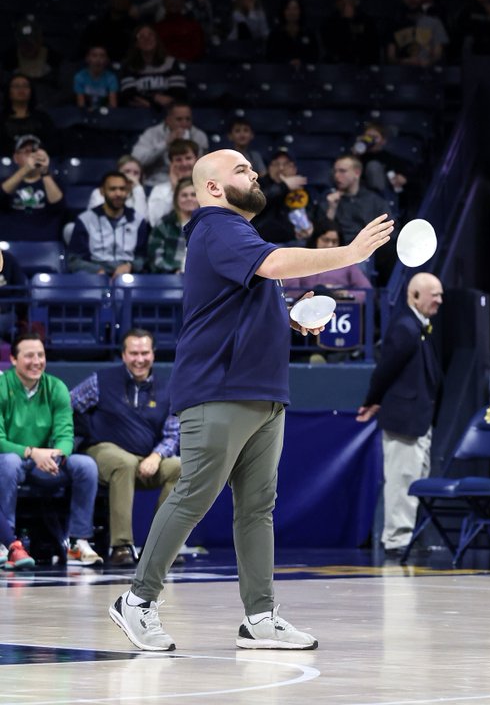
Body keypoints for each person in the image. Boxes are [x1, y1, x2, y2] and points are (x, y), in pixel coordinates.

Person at [109, 149, 395, 651]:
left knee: (258, 508)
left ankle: (260, 617)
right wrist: (349, 253)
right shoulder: (216, 225)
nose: (255, 173)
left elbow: (242, 299)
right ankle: (136, 601)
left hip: (262, 390)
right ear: (213, 188)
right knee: (195, 492)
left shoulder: (239, 234)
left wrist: (289, 315)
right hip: (220, 387)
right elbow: (276, 262)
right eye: (242, 169)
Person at [69, 330, 181, 566]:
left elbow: (172, 434)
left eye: (145, 353)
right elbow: (67, 405)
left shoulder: (168, 389)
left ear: (153, 354)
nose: (139, 359)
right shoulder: (100, 381)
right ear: (123, 355)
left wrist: (157, 455)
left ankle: (162, 546)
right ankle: (120, 546)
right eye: (133, 353)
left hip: (147, 459)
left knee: (179, 467)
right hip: (102, 453)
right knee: (125, 462)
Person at [356, 272, 443, 556]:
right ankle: (396, 540)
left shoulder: (419, 327)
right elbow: (385, 370)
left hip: (419, 419)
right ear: (414, 295)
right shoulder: (405, 327)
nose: (439, 300)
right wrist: (373, 400)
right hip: (404, 418)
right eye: (434, 295)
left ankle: (408, 536)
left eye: (441, 294)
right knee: (401, 480)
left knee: (416, 479)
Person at [0, 333, 102, 570]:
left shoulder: (56, 387)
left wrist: (56, 454)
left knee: (85, 465)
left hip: (48, 461)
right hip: (15, 459)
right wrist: (32, 452)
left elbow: (66, 434)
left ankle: (78, 541)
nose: (36, 361)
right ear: (14, 360)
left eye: (40, 355)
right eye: (29, 356)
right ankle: (7, 541)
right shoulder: (3, 387)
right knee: (8, 463)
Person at [67, 171, 149, 276]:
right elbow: (74, 260)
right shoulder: (86, 220)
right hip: (94, 276)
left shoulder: (137, 220)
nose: (118, 194)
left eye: (122, 189)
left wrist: (130, 266)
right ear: (102, 191)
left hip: (128, 275)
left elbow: (143, 257)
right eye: (113, 189)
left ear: (127, 191)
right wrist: (96, 270)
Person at [283, 228, 372, 303]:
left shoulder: (348, 264)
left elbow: (367, 290)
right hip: (308, 305)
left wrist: (347, 294)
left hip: (340, 307)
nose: (330, 245)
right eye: (326, 240)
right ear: (316, 240)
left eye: (334, 241)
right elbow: (291, 291)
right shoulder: (302, 260)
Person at [0, 134, 64, 241]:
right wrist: (26, 169)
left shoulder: (53, 182)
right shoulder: (6, 182)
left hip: (43, 241)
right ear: (16, 157)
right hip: (10, 240)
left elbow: (59, 206)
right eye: (26, 151)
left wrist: (44, 172)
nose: (31, 155)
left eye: (34, 151)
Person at [133, 102, 210, 187]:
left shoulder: (199, 136)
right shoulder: (152, 134)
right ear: (168, 120)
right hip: (157, 183)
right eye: (179, 119)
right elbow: (136, 160)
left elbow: (203, 167)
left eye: (188, 119)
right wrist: (165, 143)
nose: (184, 124)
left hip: (191, 183)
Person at [254, 150, 312, 246]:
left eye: (286, 164)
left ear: (294, 168)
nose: (281, 168)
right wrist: (284, 186)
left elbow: (310, 211)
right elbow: (258, 203)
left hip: (296, 241)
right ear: (269, 168)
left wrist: (310, 225)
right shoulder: (259, 184)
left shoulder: (301, 187)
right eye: (276, 164)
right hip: (266, 242)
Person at [120, 25, 187, 109]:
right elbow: (128, 94)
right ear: (136, 43)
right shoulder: (129, 65)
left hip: (168, 110)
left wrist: (154, 103)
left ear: (156, 40)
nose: (147, 39)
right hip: (138, 112)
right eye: (141, 36)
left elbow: (179, 91)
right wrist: (154, 98)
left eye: (150, 35)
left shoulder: (171, 63)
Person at [148, 178, 198, 274]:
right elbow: (155, 259)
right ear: (176, 199)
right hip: (170, 279)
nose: (189, 198)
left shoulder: (208, 224)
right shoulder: (164, 225)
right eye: (184, 195)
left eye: (193, 195)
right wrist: (174, 270)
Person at [146, 139, 200, 227]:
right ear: (171, 163)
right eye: (178, 160)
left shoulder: (207, 187)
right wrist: (174, 190)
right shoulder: (160, 190)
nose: (184, 163)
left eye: (188, 158)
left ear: (196, 160)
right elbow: (155, 222)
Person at [321, 0, 380, 65]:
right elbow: (334, 49)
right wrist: (346, 22)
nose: (345, 2)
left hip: (365, 64)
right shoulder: (329, 23)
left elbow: (371, 47)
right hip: (339, 66)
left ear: (354, 0)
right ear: (336, 4)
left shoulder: (366, 21)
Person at [2, 73, 57, 151]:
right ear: (8, 92)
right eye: (16, 86)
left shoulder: (43, 118)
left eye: (25, 86)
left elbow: (52, 143)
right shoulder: (2, 118)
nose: (21, 89)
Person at [265, 0, 318, 68]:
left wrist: (302, 62)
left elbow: (315, 56)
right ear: (283, 11)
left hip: (305, 71)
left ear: (300, 11)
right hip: (280, 72)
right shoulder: (275, 34)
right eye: (288, 8)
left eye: (295, 8)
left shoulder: (309, 33)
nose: (292, 12)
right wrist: (288, 62)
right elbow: (270, 57)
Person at [74, 45, 120, 110]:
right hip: (86, 112)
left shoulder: (111, 78)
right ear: (87, 58)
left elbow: (113, 105)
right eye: (94, 56)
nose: (98, 60)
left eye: (102, 56)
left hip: (105, 113)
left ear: (107, 60)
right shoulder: (80, 77)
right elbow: (81, 104)